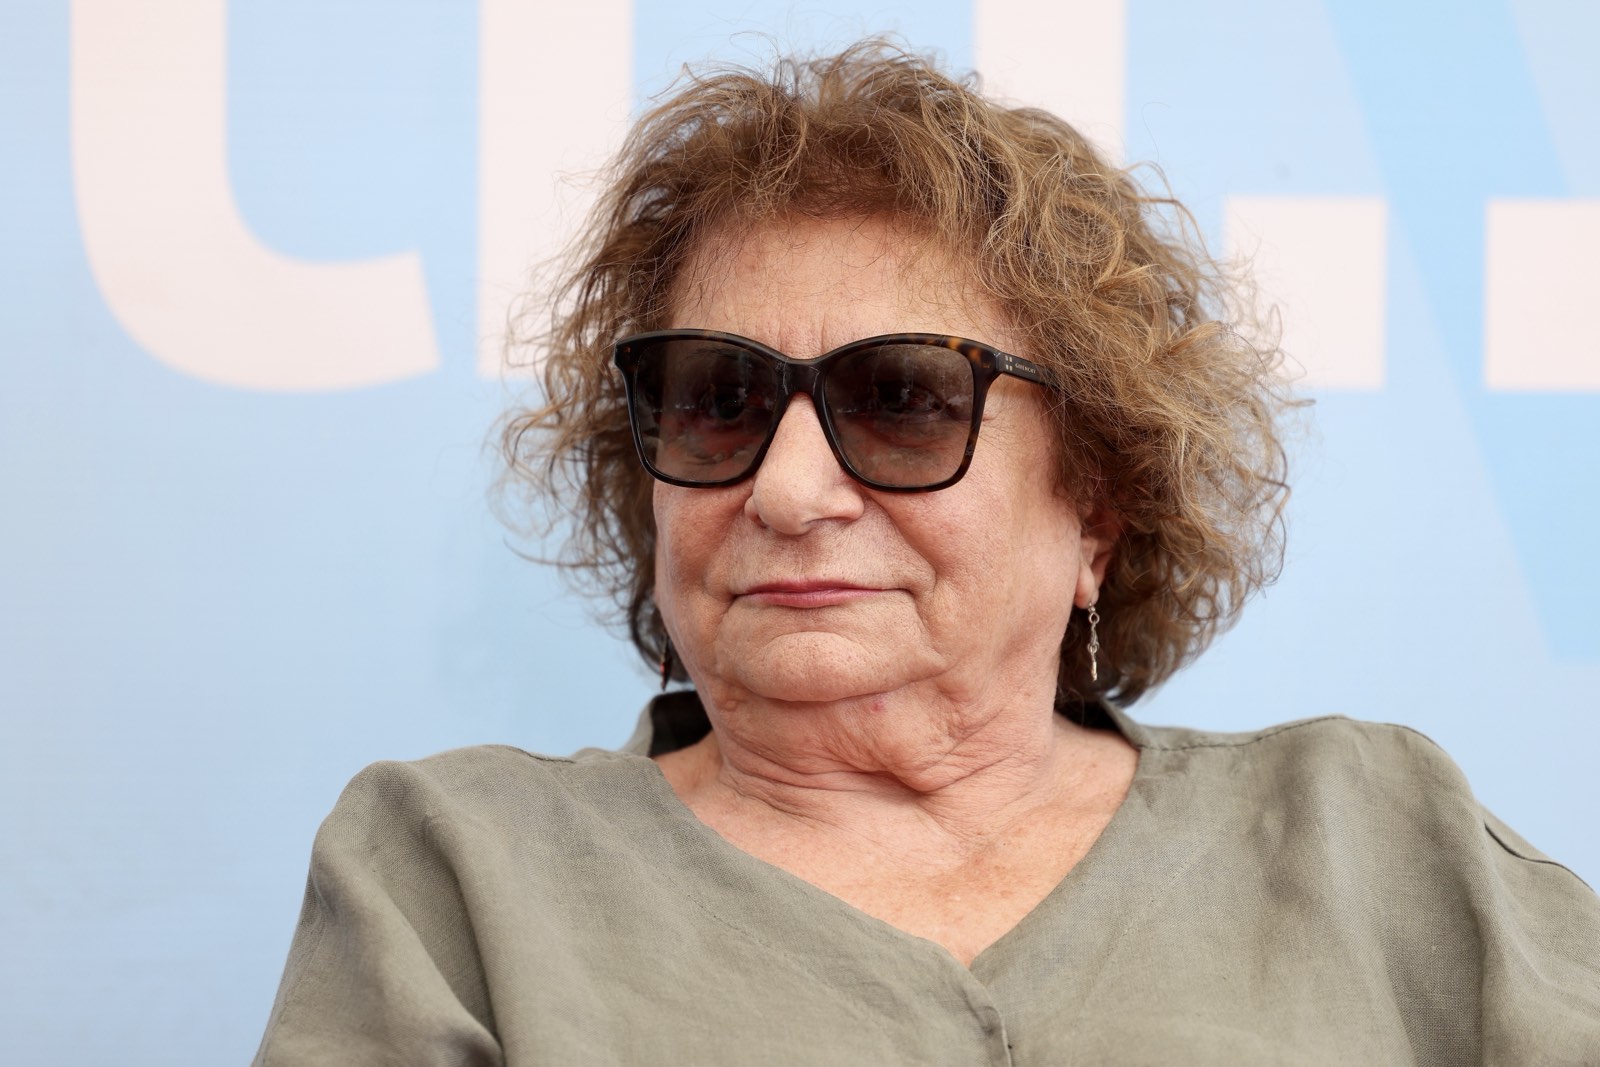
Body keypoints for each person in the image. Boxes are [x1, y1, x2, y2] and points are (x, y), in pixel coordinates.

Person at [253, 41, 1600, 1065]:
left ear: (1095, 504)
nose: (787, 490)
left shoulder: (1380, 843)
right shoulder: (455, 882)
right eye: (719, 400)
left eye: (901, 400)